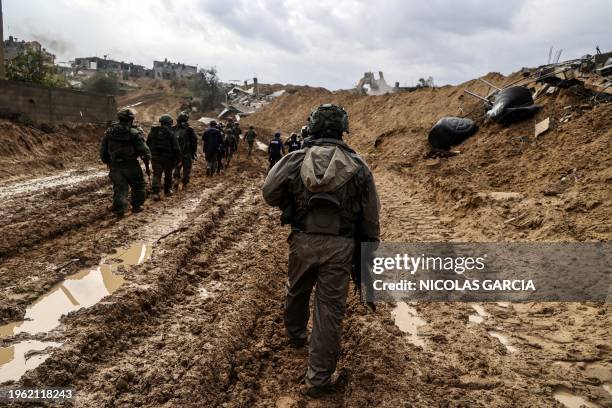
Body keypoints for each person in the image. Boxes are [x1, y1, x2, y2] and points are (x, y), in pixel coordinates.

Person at [262, 104, 380, 398]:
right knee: (329, 310)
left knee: (297, 289)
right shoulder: (358, 165)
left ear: (312, 127)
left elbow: (269, 192)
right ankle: (318, 379)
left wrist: (290, 202)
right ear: (343, 128)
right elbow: (370, 216)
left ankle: (296, 334)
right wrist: (367, 251)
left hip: (302, 239)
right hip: (341, 246)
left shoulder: (295, 159)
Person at [100, 108, 151, 217]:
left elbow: (103, 151)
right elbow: (144, 150)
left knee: (120, 189)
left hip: (115, 166)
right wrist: (147, 160)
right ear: (131, 120)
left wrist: (108, 162)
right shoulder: (134, 132)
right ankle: (136, 207)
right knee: (138, 186)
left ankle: (119, 211)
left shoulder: (109, 132)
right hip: (131, 165)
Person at [147, 114, 180, 200]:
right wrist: (178, 158)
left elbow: (147, 144)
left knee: (157, 174)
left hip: (155, 157)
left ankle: (155, 193)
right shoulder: (171, 132)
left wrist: (151, 153)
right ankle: (167, 191)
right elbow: (176, 147)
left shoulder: (153, 131)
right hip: (168, 158)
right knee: (168, 174)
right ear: (170, 123)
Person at [172, 111, 198, 191]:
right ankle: (184, 184)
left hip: (176, 153)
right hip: (187, 153)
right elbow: (194, 140)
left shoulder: (173, 128)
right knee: (187, 169)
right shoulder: (189, 129)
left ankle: (176, 179)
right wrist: (193, 152)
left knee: (177, 167)